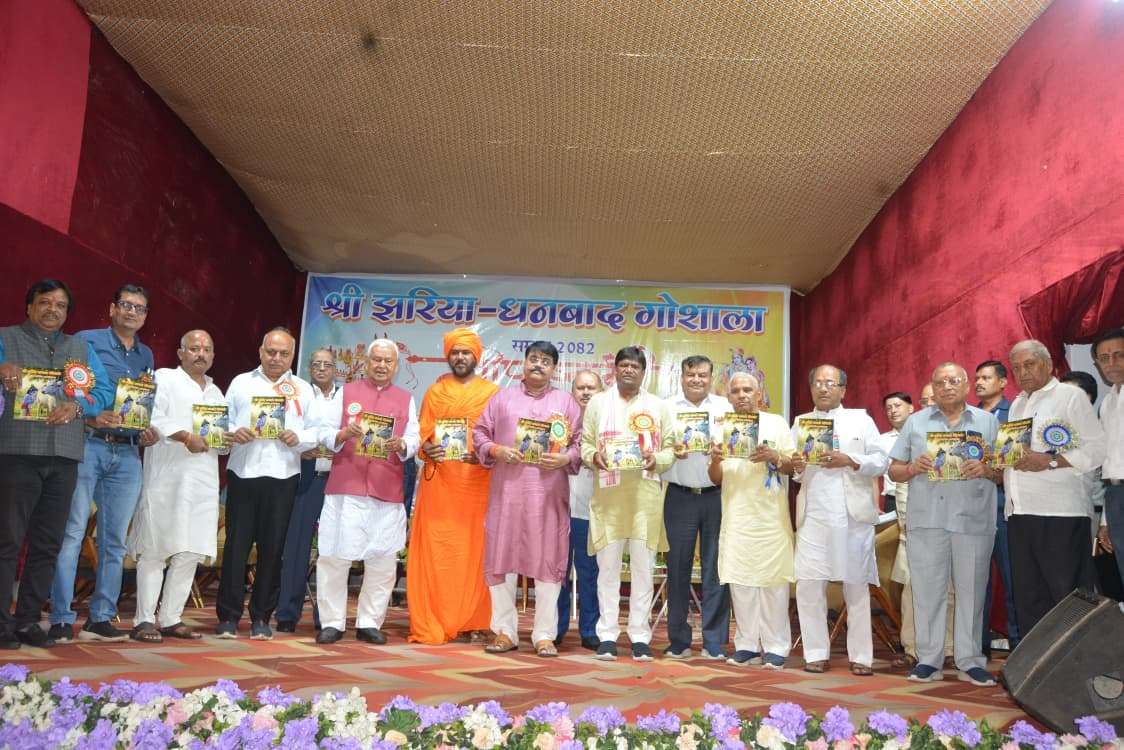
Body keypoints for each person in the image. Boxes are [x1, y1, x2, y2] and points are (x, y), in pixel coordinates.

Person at [0, 280, 113, 649]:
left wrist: (78, 407)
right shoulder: (6, 338)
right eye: (45, 302)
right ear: (29, 307)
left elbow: (105, 391)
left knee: (48, 544)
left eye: (61, 305)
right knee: (7, 541)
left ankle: (28, 621)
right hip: (17, 454)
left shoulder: (81, 348)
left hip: (64, 458)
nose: (53, 310)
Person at [48, 285, 157, 643]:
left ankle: (101, 616)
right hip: (89, 445)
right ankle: (61, 617)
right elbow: (65, 388)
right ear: (112, 309)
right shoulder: (86, 341)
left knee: (114, 541)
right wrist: (91, 417)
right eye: (126, 305)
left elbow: (141, 402)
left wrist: (145, 429)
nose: (132, 312)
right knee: (72, 533)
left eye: (139, 308)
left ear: (145, 316)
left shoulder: (145, 354)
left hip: (128, 453)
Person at [888, 363, 1000, 686]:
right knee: (927, 592)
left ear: (966, 385)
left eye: (954, 381)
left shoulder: (988, 422)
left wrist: (986, 470)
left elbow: (1003, 470)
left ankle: (970, 660)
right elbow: (894, 470)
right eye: (940, 382)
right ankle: (928, 659)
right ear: (932, 389)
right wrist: (913, 468)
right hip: (928, 520)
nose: (947, 387)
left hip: (973, 520)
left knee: (972, 592)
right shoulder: (916, 422)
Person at [473, 341, 582, 657]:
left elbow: (579, 443)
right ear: (524, 362)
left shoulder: (566, 403)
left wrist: (565, 458)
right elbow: (479, 433)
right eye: (533, 358)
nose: (538, 364)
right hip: (507, 495)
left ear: (554, 368)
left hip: (548, 497)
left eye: (546, 361)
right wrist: (496, 450)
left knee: (549, 561)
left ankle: (544, 634)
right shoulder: (502, 398)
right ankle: (504, 631)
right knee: (500, 560)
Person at [316, 338, 419, 644]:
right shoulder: (346, 392)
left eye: (388, 361)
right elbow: (324, 431)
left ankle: (369, 622)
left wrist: (403, 444)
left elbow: (415, 437)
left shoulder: (406, 399)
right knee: (334, 556)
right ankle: (332, 622)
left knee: (383, 560)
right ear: (366, 362)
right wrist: (342, 433)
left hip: (386, 487)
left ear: (396, 366)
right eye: (376, 359)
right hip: (346, 487)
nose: (381, 365)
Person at [217, 328, 315, 640]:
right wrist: (235, 431)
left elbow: (317, 431)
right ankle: (228, 617)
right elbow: (222, 420)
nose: (276, 358)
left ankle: (261, 617)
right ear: (260, 352)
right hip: (243, 473)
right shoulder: (241, 383)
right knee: (236, 548)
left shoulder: (303, 389)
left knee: (273, 550)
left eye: (283, 353)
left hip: (284, 476)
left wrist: (299, 438)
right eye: (271, 352)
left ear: (292, 356)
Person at [790, 364, 888, 676]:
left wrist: (850, 460)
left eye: (830, 383)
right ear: (811, 389)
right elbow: (795, 470)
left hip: (853, 515)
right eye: (817, 383)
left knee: (856, 586)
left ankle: (862, 657)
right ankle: (815, 653)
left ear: (843, 390)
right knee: (809, 585)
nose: (823, 388)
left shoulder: (861, 420)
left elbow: (881, 461)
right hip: (814, 515)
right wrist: (796, 463)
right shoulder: (801, 422)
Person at [127, 330, 224, 643]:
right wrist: (185, 437)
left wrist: (230, 438)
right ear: (180, 353)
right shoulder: (165, 378)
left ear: (213, 356)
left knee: (190, 551)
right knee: (155, 550)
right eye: (194, 348)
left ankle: (171, 618)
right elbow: (153, 417)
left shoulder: (215, 392)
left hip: (203, 481)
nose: (201, 354)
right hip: (166, 480)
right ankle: (144, 620)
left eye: (207, 349)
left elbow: (218, 438)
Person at [1004, 340, 1106, 634]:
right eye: (1016, 368)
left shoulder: (1070, 396)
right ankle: (1037, 661)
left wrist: (1049, 461)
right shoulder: (1017, 404)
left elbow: (1097, 449)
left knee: (1068, 597)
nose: (1023, 372)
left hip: (1060, 513)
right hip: (1019, 512)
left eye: (1029, 364)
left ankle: (1077, 660)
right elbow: (1014, 455)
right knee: (1029, 598)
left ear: (1048, 364)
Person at [582, 347, 676, 662]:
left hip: (645, 500)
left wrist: (656, 458)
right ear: (615, 369)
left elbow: (670, 450)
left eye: (634, 366)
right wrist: (594, 457)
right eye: (623, 365)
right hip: (608, 500)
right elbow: (585, 445)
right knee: (607, 570)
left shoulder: (658, 406)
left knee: (643, 570)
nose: (628, 370)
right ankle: (607, 635)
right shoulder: (598, 403)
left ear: (643, 372)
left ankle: (639, 636)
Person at [407, 328, 498, 645]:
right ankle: (439, 617)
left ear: (477, 356)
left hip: (477, 484)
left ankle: (474, 620)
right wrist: (427, 448)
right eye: (455, 352)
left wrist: (484, 454)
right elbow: (422, 433)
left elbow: (498, 438)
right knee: (439, 550)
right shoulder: (435, 392)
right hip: (440, 484)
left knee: (475, 553)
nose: (460, 357)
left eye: (465, 352)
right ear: (448, 356)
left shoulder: (492, 393)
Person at [707, 372, 795, 668]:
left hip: (770, 517)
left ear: (759, 394)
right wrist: (715, 459)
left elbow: (793, 467)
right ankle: (746, 645)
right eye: (736, 391)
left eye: (748, 390)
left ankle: (776, 646)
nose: (742, 395)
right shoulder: (722, 427)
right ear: (728, 396)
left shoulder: (777, 423)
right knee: (740, 581)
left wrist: (774, 456)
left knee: (773, 582)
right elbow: (716, 478)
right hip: (737, 515)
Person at [661, 355, 732, 660]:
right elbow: (655, 447)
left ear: (711, 378)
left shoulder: (725, 407)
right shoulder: (666, 408)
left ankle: (713, 640)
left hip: (717, 495)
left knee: (716, 569)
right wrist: (670, 450)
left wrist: (721, 450)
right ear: (682, 377)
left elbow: (737, 446)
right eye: (691, 374)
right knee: (677, 569)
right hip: (679, 496)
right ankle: (678, 639)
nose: (697, 380)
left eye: (703, 375)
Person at [275, 349, 341, 633]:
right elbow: (283, 430)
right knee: (296, 547)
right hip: (306, 476)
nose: (322, 369)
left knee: (333, 550)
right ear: (309, 368)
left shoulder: (347, 397)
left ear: (336, 369)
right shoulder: (297, 394)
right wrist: (301, 448)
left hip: (338, 479)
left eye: (327, 364)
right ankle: (287, 614)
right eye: (316, 364)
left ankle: (327, 618)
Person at [556, 369, 602, 650]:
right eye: (580, 388)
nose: (585, 392)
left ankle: (590, 629)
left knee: (589, 573)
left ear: (600, 391)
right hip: (558, 508)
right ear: (572, 391)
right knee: (557, 572)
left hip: (590, 509)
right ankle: (555, 627)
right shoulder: (559, 421)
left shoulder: (606, 423)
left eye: (591, 388)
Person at [975, 359, 1019, 652]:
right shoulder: (968, 417)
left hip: (1004, 507)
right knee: (976, 582)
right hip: (973, 508)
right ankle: (976, 646)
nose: (979, 382)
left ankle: (1018, 643)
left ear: (1003, 382)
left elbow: (1013, 461)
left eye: (986, 377)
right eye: (977, 378)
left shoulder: (1013, 413)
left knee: (1012, 579)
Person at [1093, 328, 1124, 590]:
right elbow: (1109, 462)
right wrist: (1105, 521)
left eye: (1119, 355)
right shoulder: (1107, 403)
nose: (1111, 363)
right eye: (1104, 358)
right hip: (1115, 495)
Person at [879, 392, 913, 514]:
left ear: (911, 408)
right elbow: (873, 476)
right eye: (889, 408)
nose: (893, 410)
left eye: (897, 406)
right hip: (893, 501)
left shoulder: (925, 434)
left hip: (924, 498)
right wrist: (875, 505)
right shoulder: (880, 440)